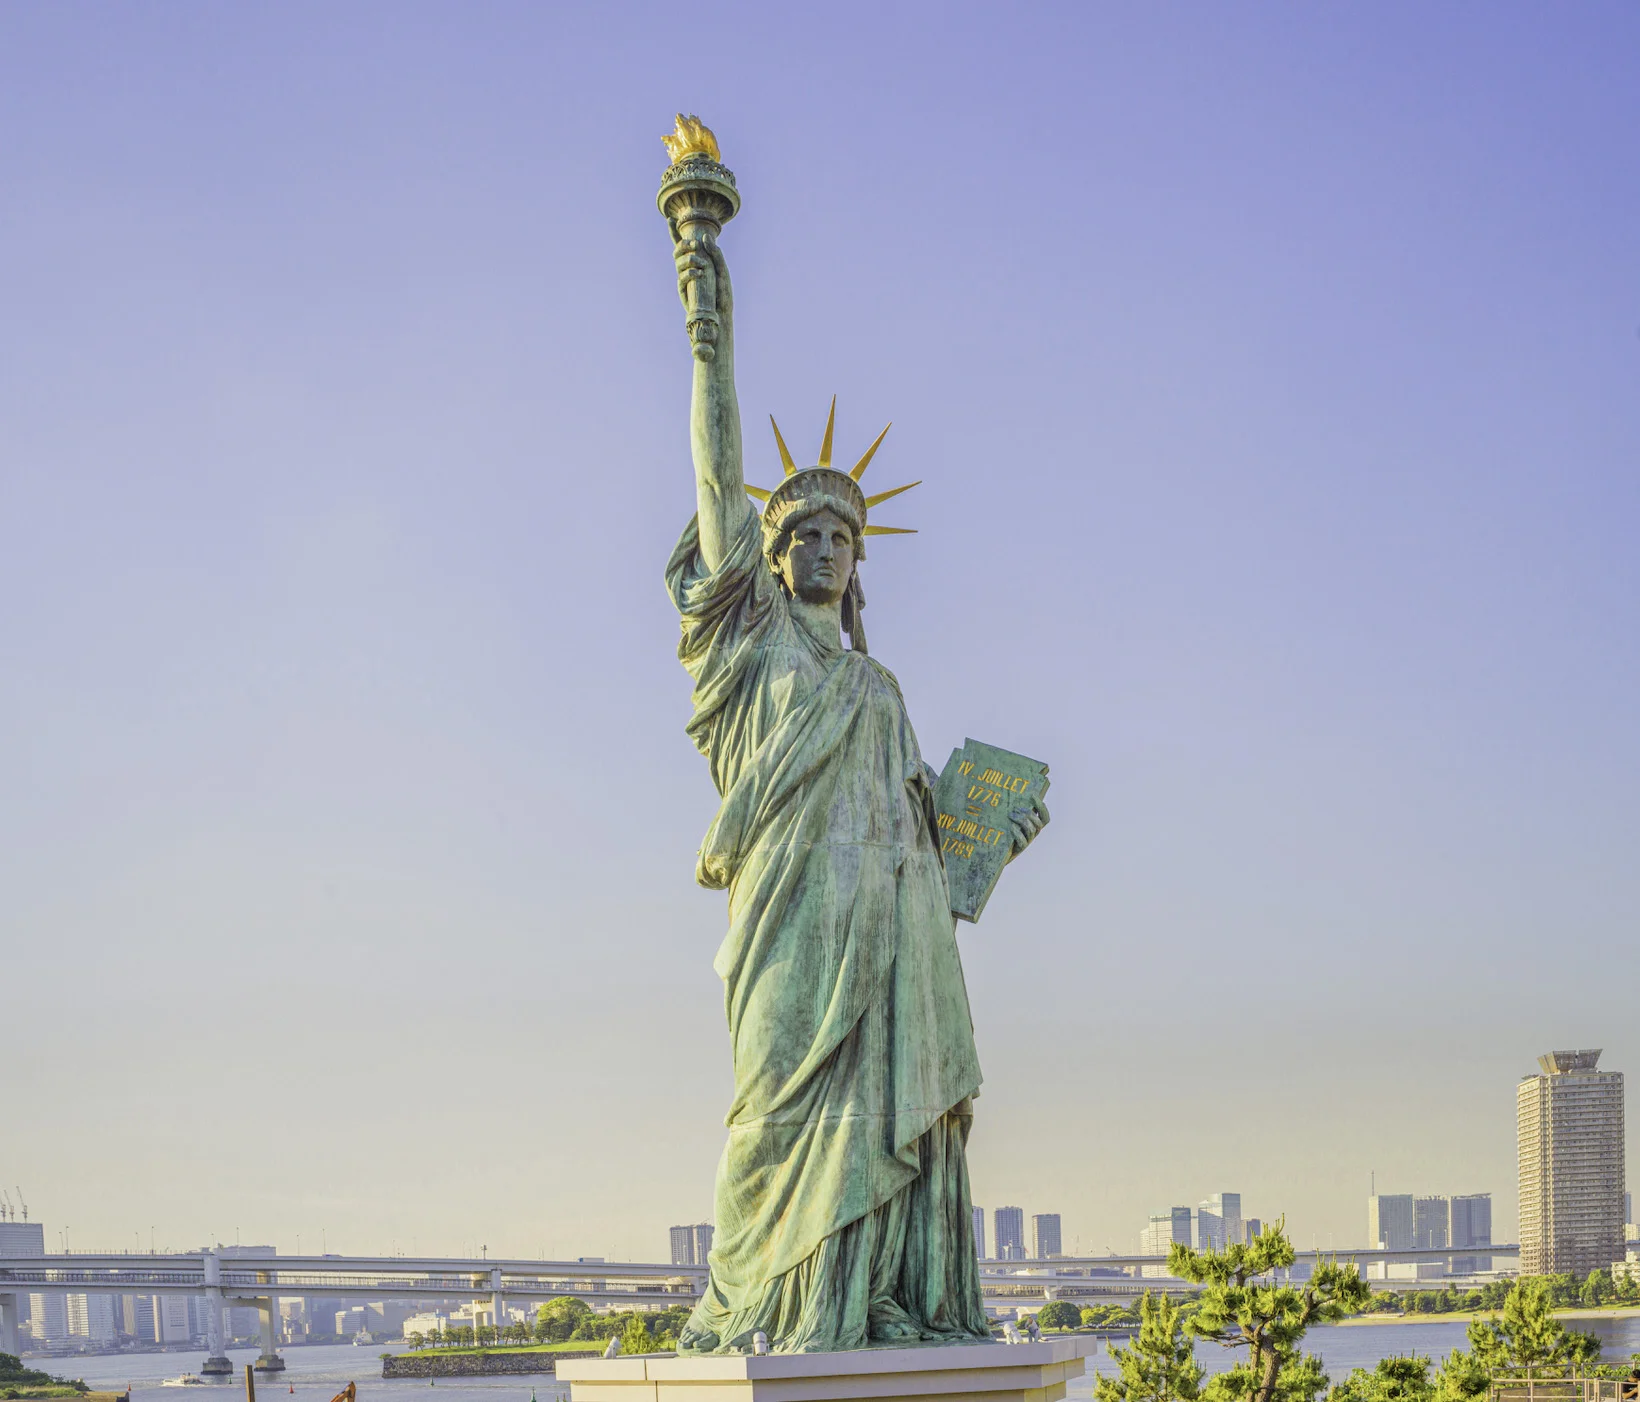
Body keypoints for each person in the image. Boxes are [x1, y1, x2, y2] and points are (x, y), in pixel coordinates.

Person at [665, 231, 1048, 1355]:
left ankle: (870, 1295)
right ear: (767, 557)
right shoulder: (747, 646)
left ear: (857, 559)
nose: (824, 547)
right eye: (801, 534)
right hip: (787, 929)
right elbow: (713, 460)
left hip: (882, 945)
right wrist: (705, 311)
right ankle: (771, 1303)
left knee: (882, 1120)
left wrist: (996, 832)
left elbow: (925, 833)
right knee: (771, 1117)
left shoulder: (877, 687)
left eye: (841, 535)